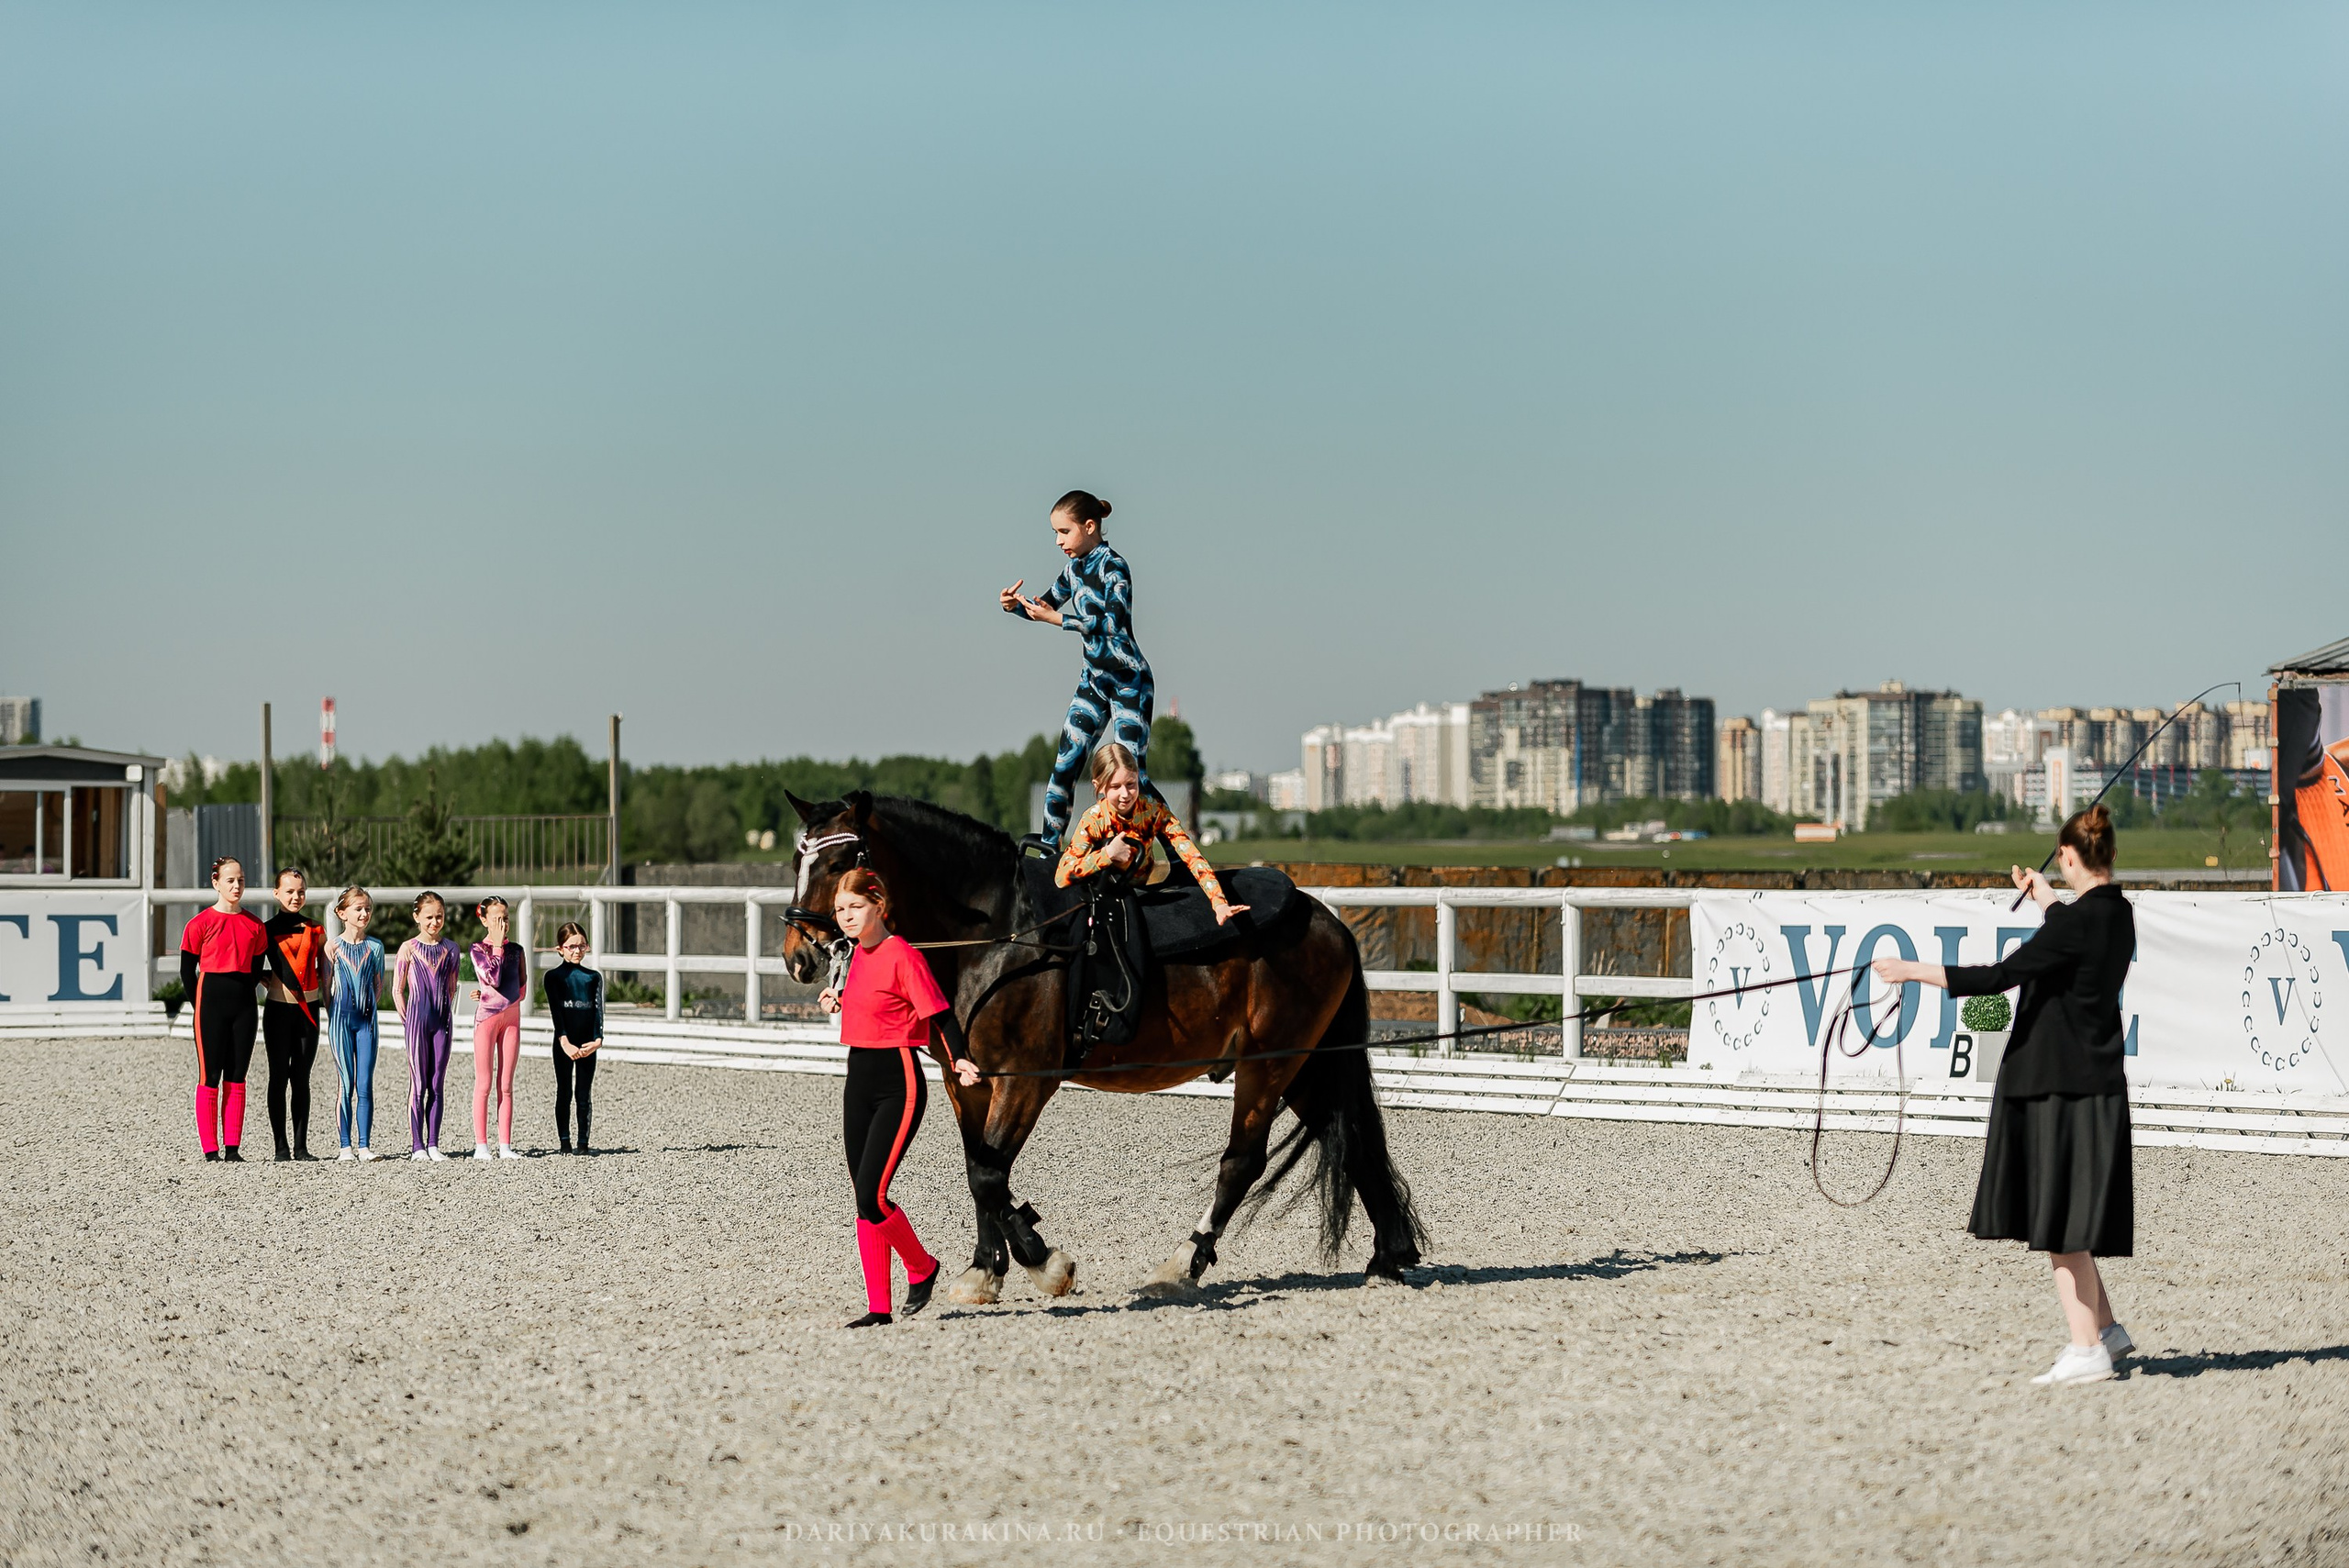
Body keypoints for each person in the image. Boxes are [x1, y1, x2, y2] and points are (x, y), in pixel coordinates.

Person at [1872, 803, 2136, 1386]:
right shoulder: (2117, 916)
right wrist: (2044, 897)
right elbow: (2073, 929)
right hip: (2095, 1086)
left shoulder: (2072, 926)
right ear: (2110, 856)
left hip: (2058, 1087)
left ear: (2069, 857)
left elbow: (1995, 977)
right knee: (2071, 1219)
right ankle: (2108, 1332)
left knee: (2062, 1230)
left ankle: (2085, 1348)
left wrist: (1910, 970)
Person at [818, 868, 983, 1328]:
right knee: (862, 1198)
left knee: (874, 1194)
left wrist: (960, 1060)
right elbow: (865, 997)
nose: (846, 917)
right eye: (840, 910)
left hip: (898, 1081)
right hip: (858, 1081)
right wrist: (837, 995)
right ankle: (878, 1308)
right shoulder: (854, 955)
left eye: (855, 907)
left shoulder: (903, 955)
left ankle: (922, 1265)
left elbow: (942, 1015)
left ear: (879, 906)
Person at [998, 489, 1156, 849]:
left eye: (1064, 532)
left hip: (1129, 681)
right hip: (1095, 682)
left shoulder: (1115, 567)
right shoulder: (1074, 569)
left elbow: (1111, 622)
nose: (1058, 541)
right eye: (1055, 533)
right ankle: (1050, 850)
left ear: (1089, 526)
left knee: (1132, 778)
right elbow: (1046, 605)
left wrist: (1056, 620)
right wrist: (1015, 607)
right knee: (1065, 764)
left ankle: (1173, 855)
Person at [1056, 742, 1248, 926]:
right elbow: (1062, 875)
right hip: (1101, 896)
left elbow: (1192, 857)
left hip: (1142, 890)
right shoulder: (1093, 820)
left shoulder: (1153, 810)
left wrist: (1219, 902)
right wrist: (1107, 855)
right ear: (1099, 786)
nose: (1125, 794)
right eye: (1115, 787)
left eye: (1131, 784)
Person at [179, 856, 270, 1161]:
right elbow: (186, 970)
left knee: (238, 1074)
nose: (236, 885)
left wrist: (246, 997)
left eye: (241, 880)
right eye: (230, 880)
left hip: (244, 1005)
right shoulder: (199, 924)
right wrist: (199, 1006)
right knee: (210, 1074)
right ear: (216, 883)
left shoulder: (255, 926)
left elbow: (257, 969)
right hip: (210, 1005)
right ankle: (210, 1150)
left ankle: (233, 1148)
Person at [262, 867, 328, 1162]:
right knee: (278, 1077)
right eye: (289, 891)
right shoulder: (265, 930)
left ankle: (301, 1147)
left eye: (300, 891)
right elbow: (252, 967)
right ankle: (280, 1147)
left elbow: (325, 969)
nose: (295, 896)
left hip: (308, 1013)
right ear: (276, 893)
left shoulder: (316, 928)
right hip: (277, 1012)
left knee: (301, 1077)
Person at [393, 892, 462, 1162]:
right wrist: (407, 1019)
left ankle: (434, 1143)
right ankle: (417, 1145)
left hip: (442, 1022)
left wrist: (443, 1011)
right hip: (417, 1023)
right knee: (418, 1084)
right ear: (417, 917)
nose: (435, 922)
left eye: (439, 917)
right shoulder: (408, 948)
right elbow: (398, 990)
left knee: (437, 1083)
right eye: (429, 917)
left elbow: (452, 987)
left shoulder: (452, 949)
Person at [325, 886, 386, 1162]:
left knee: (365, 1084)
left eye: (367, 909)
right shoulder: (332, 946)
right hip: (341, 1021)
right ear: (342, 913)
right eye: (358, 909)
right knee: (345, 1083)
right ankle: (344, 1146)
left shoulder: (376, 947)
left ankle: (364, 1145)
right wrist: (333, 1014)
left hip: (366, 1024)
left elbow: (378, 986)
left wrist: (369, 1011)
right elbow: (326, 987)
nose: (364, 913)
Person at [469, 896, 526, 1161]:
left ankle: (505, 1144)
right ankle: (482, 1145)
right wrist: (497, 948)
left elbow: (521, 987)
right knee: (485, 1083)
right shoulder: (478, 949)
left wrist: (501, 996)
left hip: (511, 1018)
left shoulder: (517, 950)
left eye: (505, 918)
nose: (503, 924)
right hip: (487, 1019)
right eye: (496, 919)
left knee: (506, 1084)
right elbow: (492, 976)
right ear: (484, 921)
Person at [544, 922, 604, 1155]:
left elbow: (598, 1010)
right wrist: (564, 1041)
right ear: (560, 949)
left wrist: (598, 1040)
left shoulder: (593, 977)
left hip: (588, 1043)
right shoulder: (553, 977)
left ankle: (583, 1143)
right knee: (564, 1091)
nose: (576, 951)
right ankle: (564, 1142)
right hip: (564, 1043)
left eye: (581, 946)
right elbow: (556, 1013)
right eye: (571, 947)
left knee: (583, 1093)